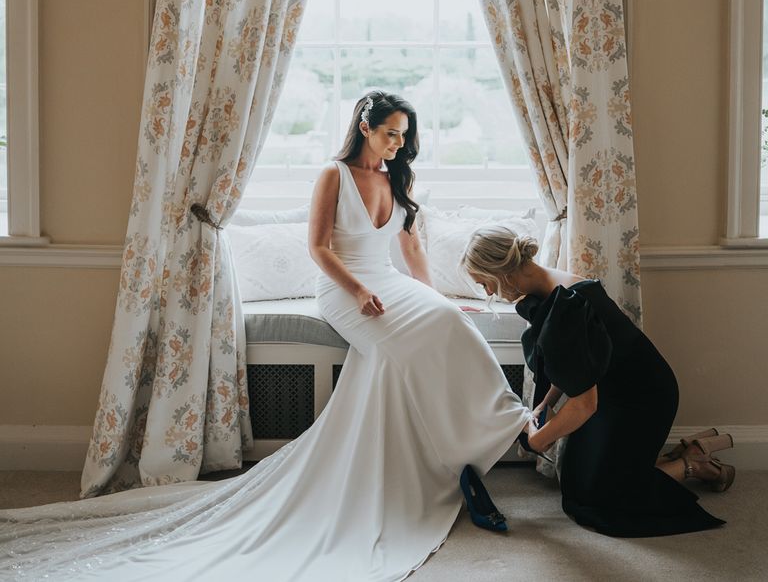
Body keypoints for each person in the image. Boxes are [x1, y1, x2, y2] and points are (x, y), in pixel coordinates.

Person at [0, 92, 532, 581]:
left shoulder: (399, 179)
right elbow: (319, 249)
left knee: (450, 323)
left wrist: (433, 294)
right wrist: (357, 292)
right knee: (401, 351)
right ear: (365, 128)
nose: (398, 144)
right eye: (391, 133)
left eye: (403, 136)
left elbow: (411, 250)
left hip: (389, 284)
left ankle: (501, 426)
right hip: (343, 288)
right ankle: (432, 466)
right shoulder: (333, 175)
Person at [461, 224, 734, 538]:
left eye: (486, 284)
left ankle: (693, 461)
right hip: (608, 392)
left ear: (503, 272)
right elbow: (576, 365)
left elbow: (584, 403)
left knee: (600, 503)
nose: (489, 294)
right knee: (575, 485)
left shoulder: (568, 302)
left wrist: (537, 440)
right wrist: (545, 405)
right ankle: (663, 462)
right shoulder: (550, 289)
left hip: (642, 398)